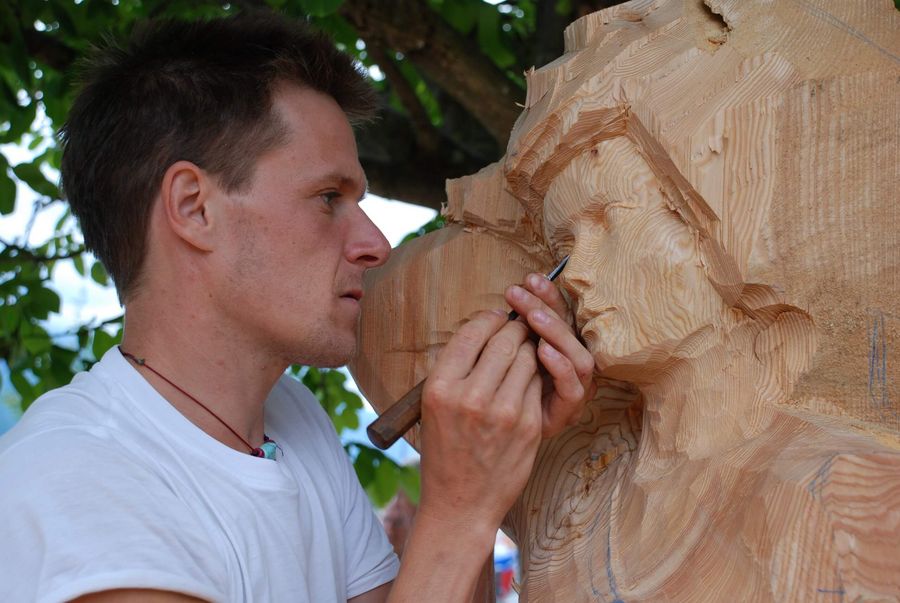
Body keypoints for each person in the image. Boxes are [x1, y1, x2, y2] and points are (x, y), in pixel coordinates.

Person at [0, 12, 596, 603]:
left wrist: (488, 467)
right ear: (193, 207)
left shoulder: (289, 417)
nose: (377, 245)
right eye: (328, 197)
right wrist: (460, 504)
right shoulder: (76, 481)